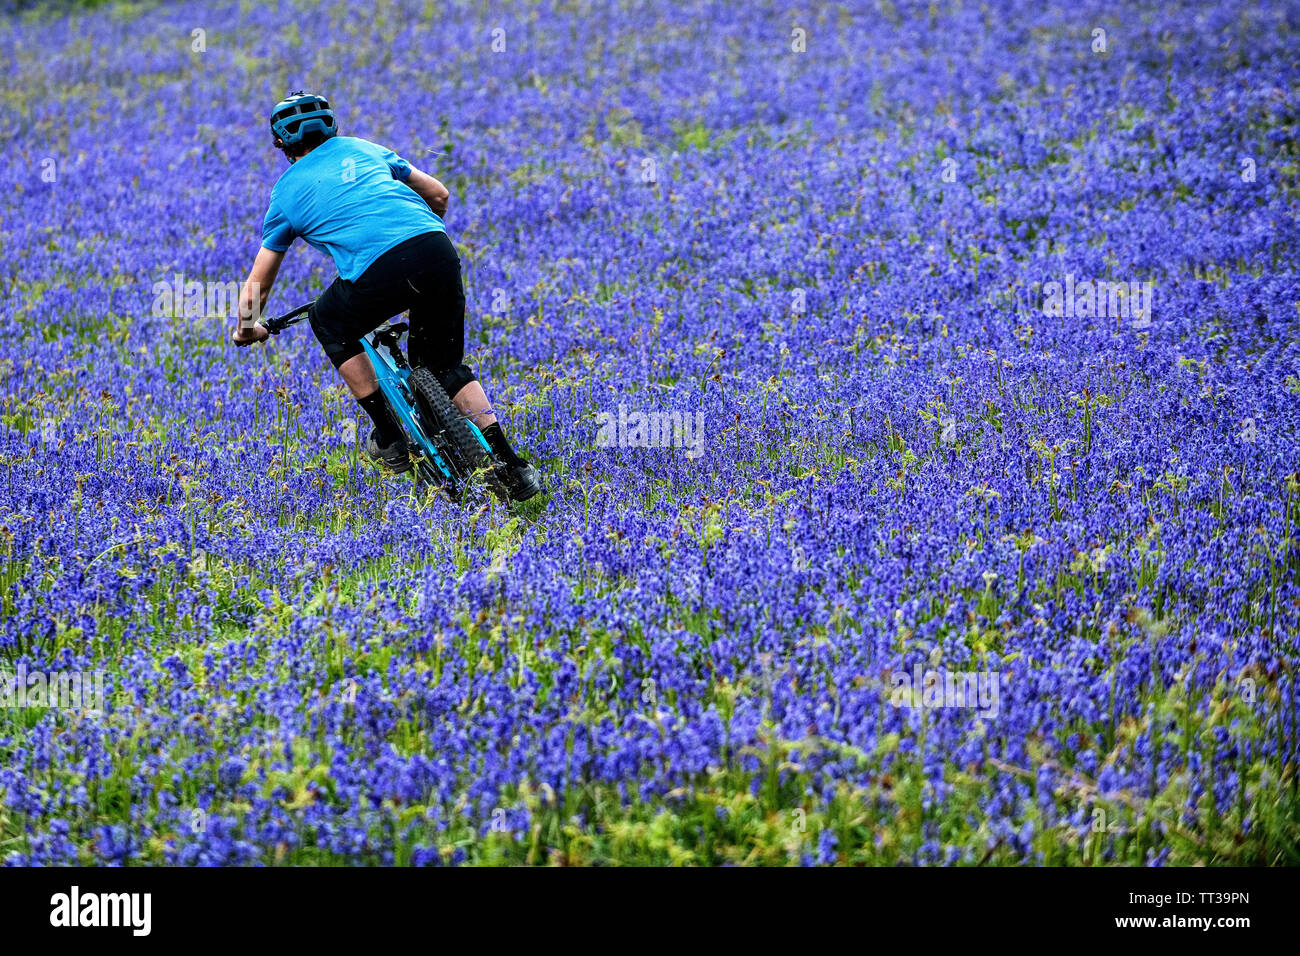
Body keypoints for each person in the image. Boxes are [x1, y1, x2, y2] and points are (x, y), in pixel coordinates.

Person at [231, 91, 541, 501]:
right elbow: (440, 195)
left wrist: (246, 327)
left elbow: (260, 282)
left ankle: (390, 437)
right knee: (445, 365)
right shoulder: (365, 149)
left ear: (281, 143)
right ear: (332, 127)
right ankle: (512, 467)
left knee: (329, 321)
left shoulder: (285, 194)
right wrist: (415, 241)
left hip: (377, 273)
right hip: (435, 248)